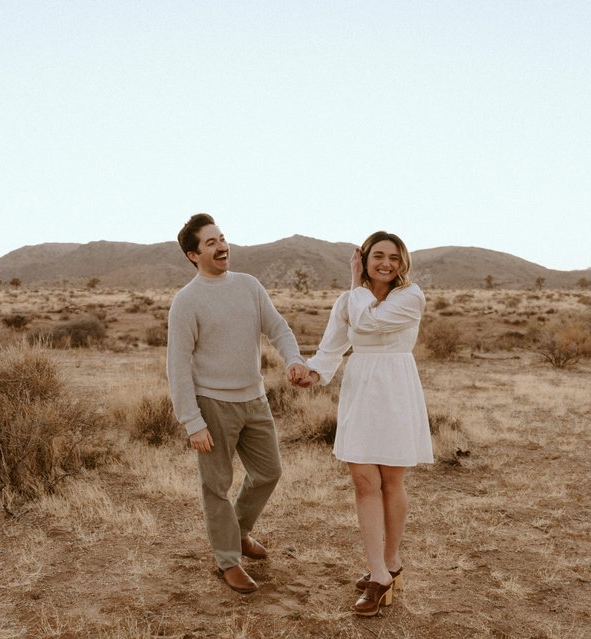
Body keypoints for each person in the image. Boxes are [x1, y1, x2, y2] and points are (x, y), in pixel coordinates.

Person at [166, 213, 310, 594]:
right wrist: (191, 420)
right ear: (193, 256)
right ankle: (227, 560)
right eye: (210, 243)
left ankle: (239, 532)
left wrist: (293, 358)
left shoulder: (249, 286)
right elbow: (177, 364)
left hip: (255, 398)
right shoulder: (186, 301)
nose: (221, 246)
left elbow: (277, 327)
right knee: (217, 485)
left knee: (268, 472)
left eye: (222, 238)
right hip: (212, 404)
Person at [295, 231, 433, 616]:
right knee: (363, 481)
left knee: (392, 480)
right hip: (361, 388)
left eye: (393, 257)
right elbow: (333, 345)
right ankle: (378, 573)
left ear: (403, 262)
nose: (386, 263)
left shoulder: (411, 297)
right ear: (365, 258)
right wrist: (314, 373)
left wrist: (355, 283)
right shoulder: (348, 301)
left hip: (395, 388)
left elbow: (369, 324)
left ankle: (391, 560)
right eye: (378, 256)